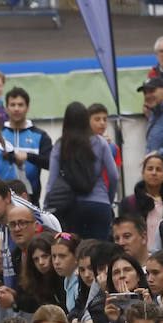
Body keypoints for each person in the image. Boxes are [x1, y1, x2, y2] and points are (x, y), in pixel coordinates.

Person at [46, 102, 119, 241]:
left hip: (73, 206)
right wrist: (108, 200)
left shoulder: (61, 145)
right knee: (100, 253)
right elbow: (114, 176)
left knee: (77, 253)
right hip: (100, 206)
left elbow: (52, 180)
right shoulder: (100, 142)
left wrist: (46, 207)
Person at [119, 154, 163, 252]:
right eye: (150, 169)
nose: (154, 173)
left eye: (158, 169)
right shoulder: (129, 202)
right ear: (143, 173)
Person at [3, 87, 53, 204]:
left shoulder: (40, 135)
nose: (16, 109)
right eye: (13, 105)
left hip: (31, 199)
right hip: (2, 199)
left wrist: (28, 156)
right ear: (6, 108)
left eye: (20, 105)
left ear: (27, 108)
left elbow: (50, 163)